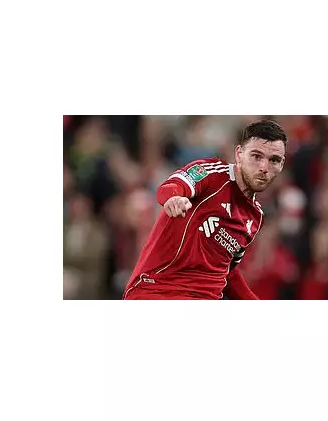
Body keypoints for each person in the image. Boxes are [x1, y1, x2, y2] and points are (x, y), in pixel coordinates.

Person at [123, 120, 288, 300]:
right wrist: (174, 199)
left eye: (274, 160)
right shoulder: (212, 174)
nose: (264, 168)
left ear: (281, 165)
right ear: (239, 154)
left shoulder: (256, 217)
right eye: (256, 156)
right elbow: (171, 187)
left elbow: (226, 271)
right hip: (159, 291)